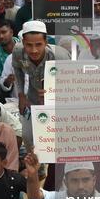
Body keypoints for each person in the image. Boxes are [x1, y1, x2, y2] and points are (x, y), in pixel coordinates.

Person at [12, 21, 70, 150]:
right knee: (27, 137)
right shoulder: (17, 51)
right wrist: (21, 96)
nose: (34, 50)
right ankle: (36, 169)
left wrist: (51, 98)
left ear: (46, 42)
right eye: (29, 45)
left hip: (58, 105)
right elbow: (17, 70)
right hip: (32, 100)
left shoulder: (60, 57)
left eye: (39, 45)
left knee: (54, 140)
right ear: (23, 43)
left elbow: (71, 86)